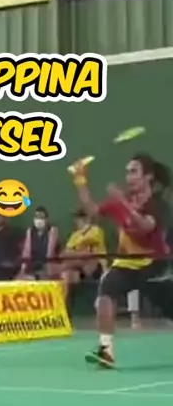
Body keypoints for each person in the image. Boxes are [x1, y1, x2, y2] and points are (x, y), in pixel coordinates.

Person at [71, 152, 173, 367]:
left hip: (154, 264)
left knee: (168, 306)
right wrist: (80, 180)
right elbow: (93, 211)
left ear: (148, 176)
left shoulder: (157, 204)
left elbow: (146, 226)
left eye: (134, 172)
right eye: (127, 172)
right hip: (126, 263)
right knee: (107, 288)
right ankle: (106, 350)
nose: (129, 177)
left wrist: (124, 203)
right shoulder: (122, 200)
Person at [60, 208, 107, 305]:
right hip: (79, 268)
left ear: (87, 219)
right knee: (67, 275)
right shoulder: (74, 235)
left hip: (96, 267)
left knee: (89, 260)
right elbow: (65, 253)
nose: (77, 221)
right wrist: (79, 254)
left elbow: (89, 253)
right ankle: (64, 308)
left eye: (80, 218)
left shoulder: (96, 230)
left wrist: (75, 253)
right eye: (76, 218)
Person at [20, 206, 60, 279]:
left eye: (41, 217)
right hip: (32, 266)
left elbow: (50, 252)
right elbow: (26, 252)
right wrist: (23, 270)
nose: (39, 220)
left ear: (46, 219)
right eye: (37, 217)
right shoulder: (30, 231)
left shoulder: (52, 231)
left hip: (48, 266)